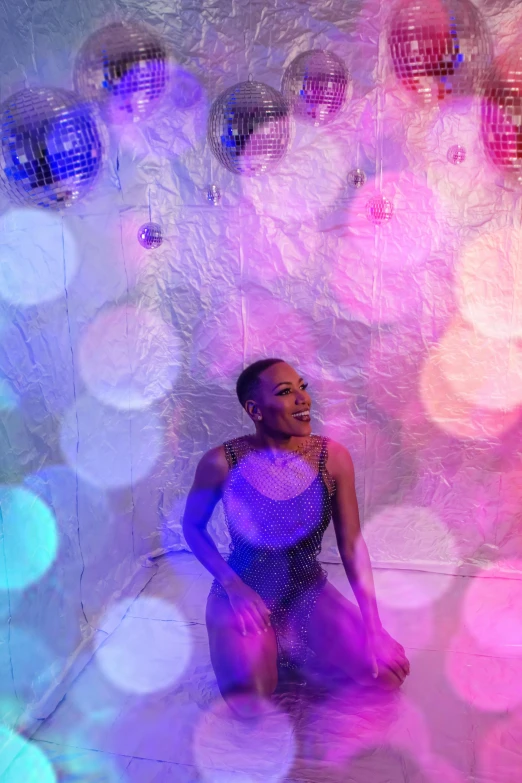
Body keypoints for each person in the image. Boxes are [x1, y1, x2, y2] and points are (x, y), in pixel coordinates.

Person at [183, 358, 410, 717]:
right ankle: (267, 642)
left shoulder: (332, 458)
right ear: (254, 410)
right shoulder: (222, 463)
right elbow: (192, 528)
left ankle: (289, 637)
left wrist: (374, 627)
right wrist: (233, 586)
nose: (303, 399)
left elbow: (351, 545)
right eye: (286, 392)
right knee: (252, 705)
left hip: (307, 588)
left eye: (302, 388)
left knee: (386, 676)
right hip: (247, 592)